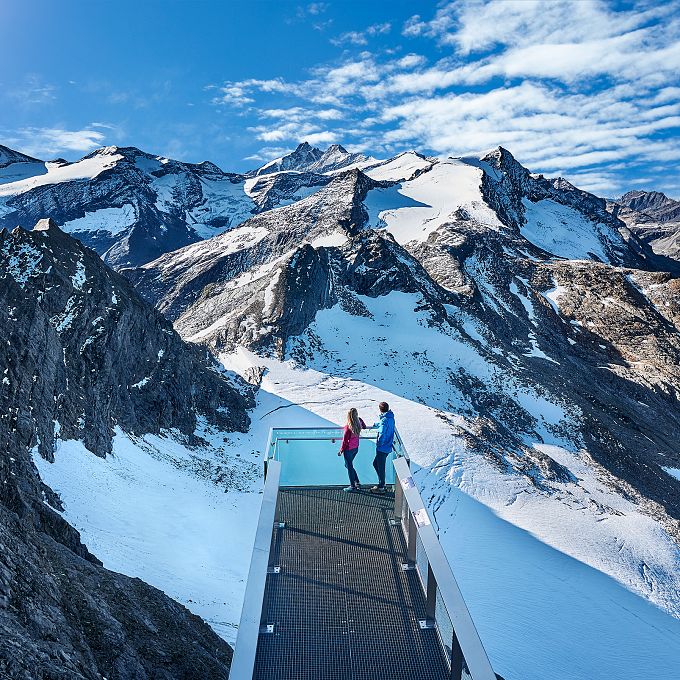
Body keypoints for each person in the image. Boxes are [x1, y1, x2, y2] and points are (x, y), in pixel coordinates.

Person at [338, 408, 366, 492]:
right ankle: (357, 482)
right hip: (355, 448)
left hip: (348, 450)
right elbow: (364, 427)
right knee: (348, 465)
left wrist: (341, 450)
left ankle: (353, 486)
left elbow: (345, 441)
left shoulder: (348, 427)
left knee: (349, 466)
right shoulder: (359, 421)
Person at [370, 402, 395, 493]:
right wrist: (377, 424)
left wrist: (379, 444)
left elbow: (382, 433)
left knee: (380, 466)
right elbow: (384, 425)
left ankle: (381, 487)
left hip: (382, 448)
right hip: (388, 446)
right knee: (376, 464)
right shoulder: (390, 418)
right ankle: (382, 484)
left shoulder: (384, 420)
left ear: (380, 409)